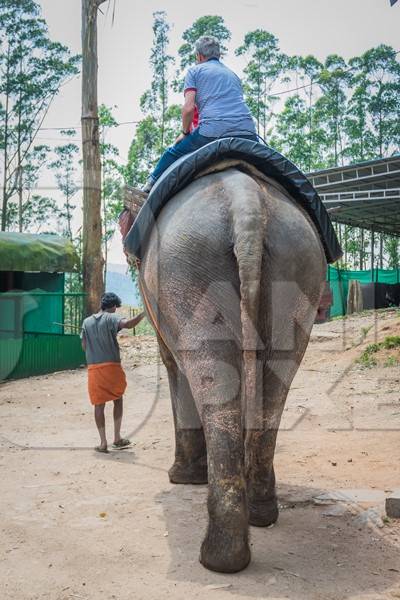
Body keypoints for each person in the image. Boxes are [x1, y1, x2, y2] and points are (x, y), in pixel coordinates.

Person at [141, 35, 257, 193]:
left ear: (199, 56)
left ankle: (149, 186)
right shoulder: (233, 75)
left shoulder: (194, 71)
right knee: (271, 162)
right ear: (219, 55)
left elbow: (188, 109)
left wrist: (184, 132)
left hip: (210, 133)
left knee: (172, 153)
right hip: (247, 132)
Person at [81, 292, 145, 453]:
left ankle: (103, 443)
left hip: (94, 369)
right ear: (114, 306)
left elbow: (84, 346)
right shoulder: (112, 318)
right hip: (112, 367)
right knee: (118, 399)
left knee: (98, 404)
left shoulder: (86, 322)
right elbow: (129, 324)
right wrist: (146, 312)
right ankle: (117, 438)